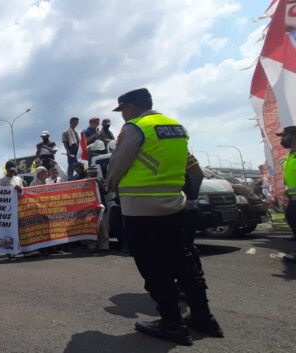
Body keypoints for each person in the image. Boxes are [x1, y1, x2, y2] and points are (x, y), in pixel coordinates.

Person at [106, 87, 194, 345]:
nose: (123, 115)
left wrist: (111, 184)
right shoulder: (177, 126)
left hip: (142, 209)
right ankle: (194, 315)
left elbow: (117, 166)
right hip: (175, 205)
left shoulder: (136, 127)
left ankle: (171, 324)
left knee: (153, 267)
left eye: (123, 110)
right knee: (177, 261)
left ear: (130, 108)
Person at [178, 153, 224, 337]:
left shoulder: (175, 148)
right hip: (184, 207)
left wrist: (189, 199)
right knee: (187, 251)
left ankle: (192, 312)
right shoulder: (178, 148)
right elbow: (196, 174)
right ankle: (198, 305)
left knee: (181, 253)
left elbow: (196, 175)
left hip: (177, 208)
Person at [277, 126, 296, 261]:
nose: (282, 139)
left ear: (293, 136)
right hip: (293, 195)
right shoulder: (291, 153)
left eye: (284, 136)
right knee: (290, 217)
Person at [85, 166, 110, 253]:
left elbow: (106, 191)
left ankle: (104, 246)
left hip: (101, 207)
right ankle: (92, 246)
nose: (94, 175)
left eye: (95, 173)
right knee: (91, 228)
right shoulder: (84, 182)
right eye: (92, 173)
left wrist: (98, 182)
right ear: (88, 173)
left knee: (103, 228)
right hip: (90, 209)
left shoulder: (101, 180)